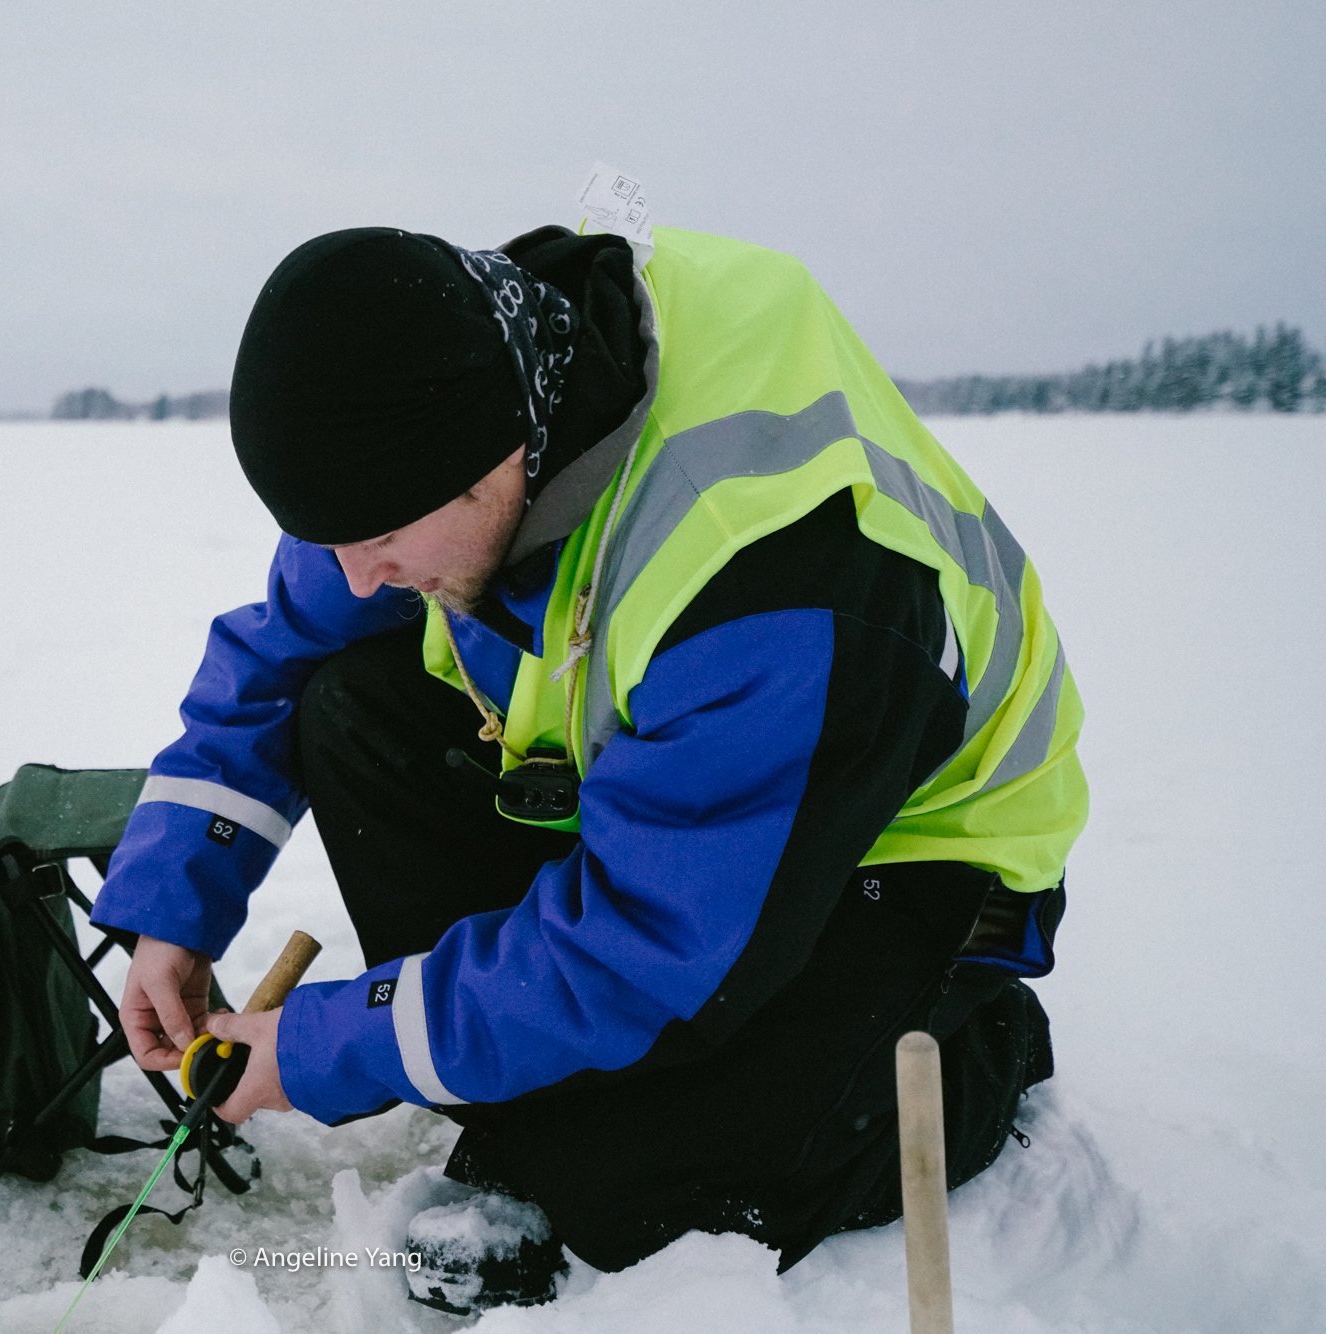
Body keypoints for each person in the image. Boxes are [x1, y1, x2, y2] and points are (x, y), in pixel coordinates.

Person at [88, 222, 1086, 1303]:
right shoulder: (445, 413)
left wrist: (328, 1046)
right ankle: (518, 1062)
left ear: (491, 462)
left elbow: (639, 950)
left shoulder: (765, 577)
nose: (353, 575)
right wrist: (175, 908)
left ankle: (968, 1033)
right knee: (347, 708)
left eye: (373, 538)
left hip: (887, 857)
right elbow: (281, 648)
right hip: (677, 801)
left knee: (622, 1187)